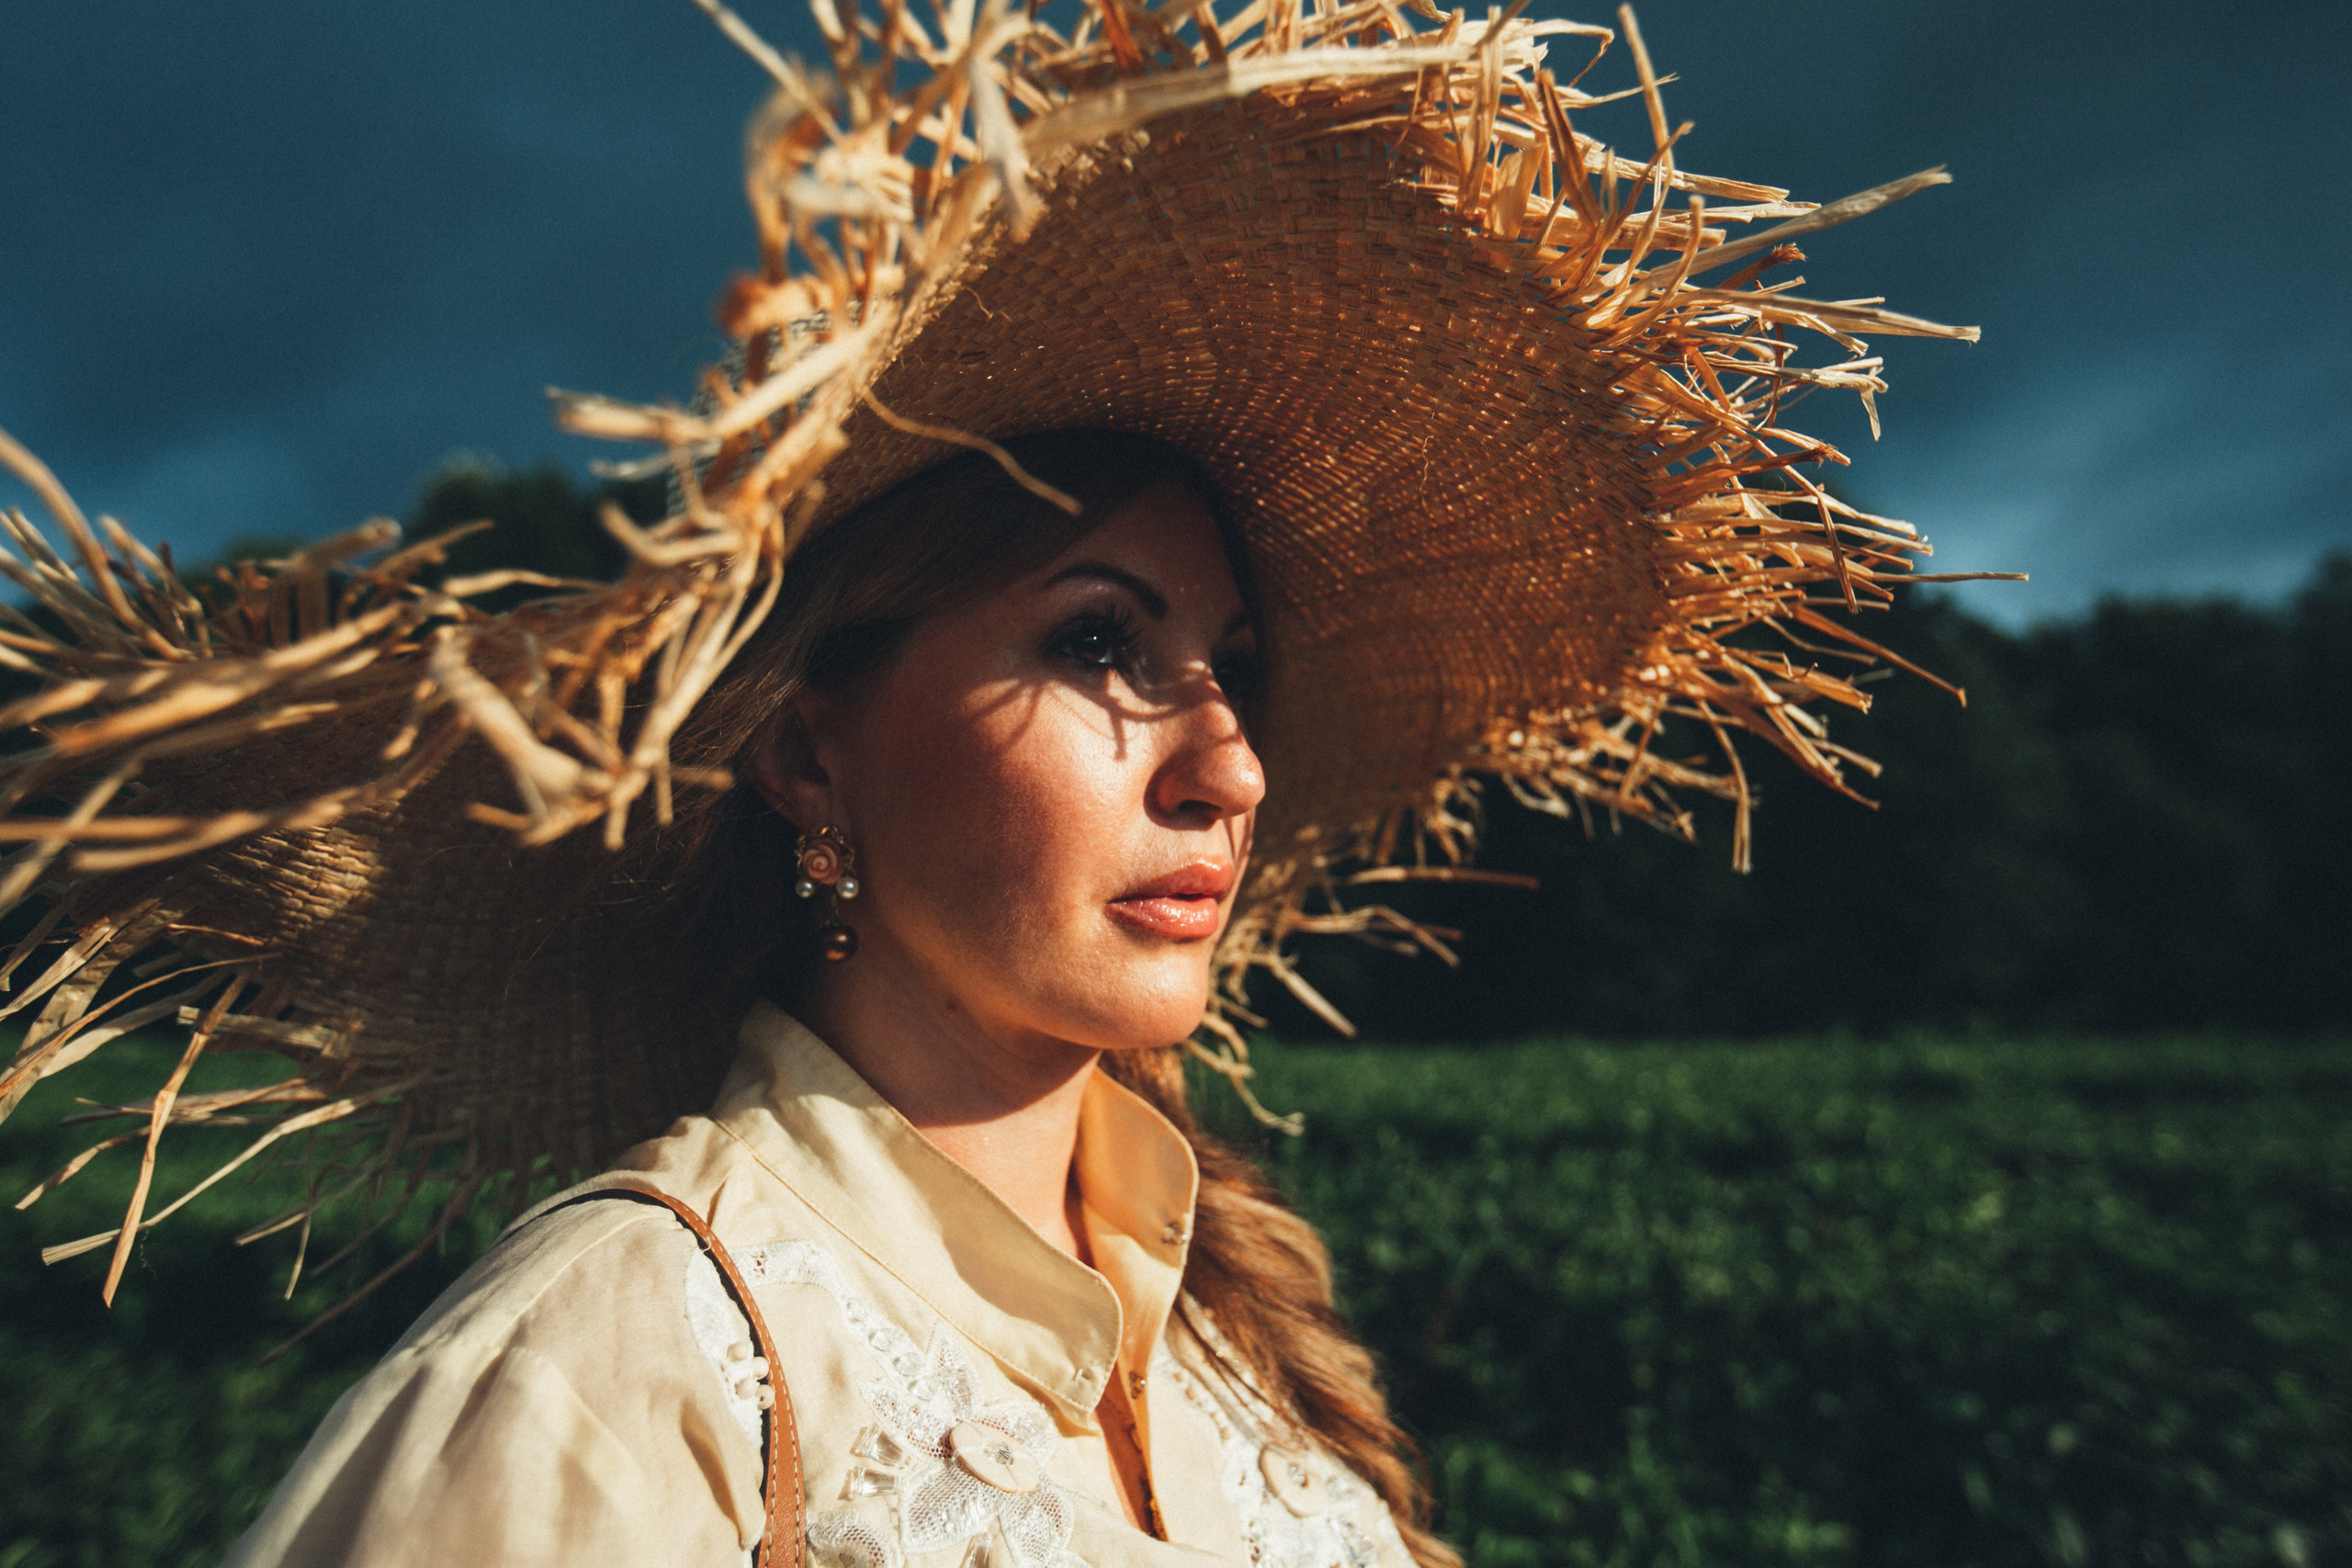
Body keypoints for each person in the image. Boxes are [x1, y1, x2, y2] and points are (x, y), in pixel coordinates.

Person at [0, 1, 1980, 1564]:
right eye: (1098, 645)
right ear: (804, 744)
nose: (1223, 760)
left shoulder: (1220, 1344)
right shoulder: (628, 1353)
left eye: (1235, 667)